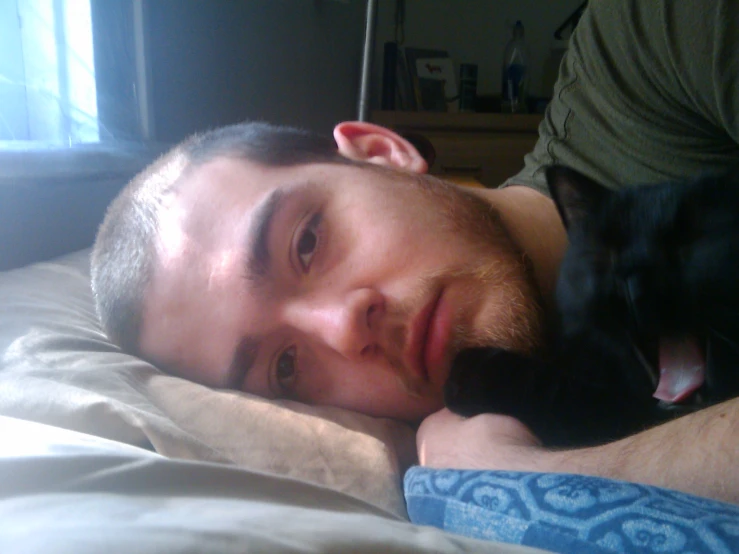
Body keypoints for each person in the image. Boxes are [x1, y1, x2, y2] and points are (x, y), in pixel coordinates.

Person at [91, 0, 739, 504]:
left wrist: (555, 478)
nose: (343, 329)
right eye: (284, 367)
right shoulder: (551, 399)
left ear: (382, 153)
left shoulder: (660, 45)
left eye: (307, 242)